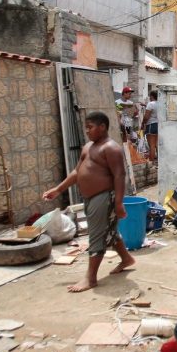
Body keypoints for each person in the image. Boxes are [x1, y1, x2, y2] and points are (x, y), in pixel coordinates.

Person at [42, 111, 135, 293]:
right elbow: (77, 172)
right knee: (109, 231)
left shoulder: (111, 148)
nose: (87, 131)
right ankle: (126, 259)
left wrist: (118, 203)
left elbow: (119, 175)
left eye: (90, 127)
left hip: (104, 197)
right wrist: (58, 189)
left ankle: (90, 278)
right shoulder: (88, 147)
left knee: (96, 236)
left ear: (102, 127)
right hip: (90, 198)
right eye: (86, 127)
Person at [142, 90, 159, 162]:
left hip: (151, 125)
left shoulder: (150, 104)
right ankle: (159, 162)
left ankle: (151, 162)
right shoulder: (160, 103)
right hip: (158, 125)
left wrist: (143, 124)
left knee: (151, 145)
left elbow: (146, 117)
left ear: (151, 96)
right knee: (157, 144)